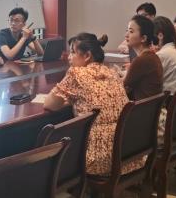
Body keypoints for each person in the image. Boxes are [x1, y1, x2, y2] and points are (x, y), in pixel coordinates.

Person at [44, 33, 143, 175]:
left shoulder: (76, 73)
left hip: (97, 158)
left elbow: (49, 104)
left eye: (73, 52)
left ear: (87, 56)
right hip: (127, 151)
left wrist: (69, 101)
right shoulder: (111, 72)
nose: (69, 57)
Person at [123, 14, 163, 100]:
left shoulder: (142, 60)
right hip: (151, 106)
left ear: (143, 38)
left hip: (142, 107)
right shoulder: (152, 56)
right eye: (127, 31)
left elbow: (121, 85)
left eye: (131, 32)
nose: (126, 35)